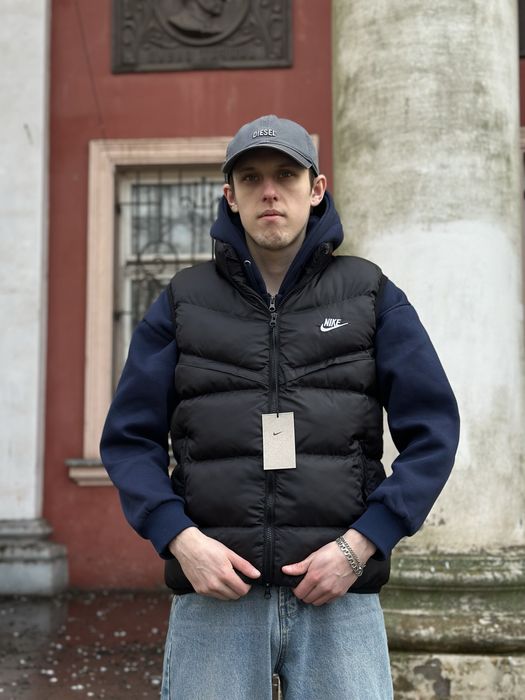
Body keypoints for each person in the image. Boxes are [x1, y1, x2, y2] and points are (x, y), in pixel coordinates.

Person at [100, 114, 460, 700]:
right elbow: (128, 439)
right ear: (231, 196)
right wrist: (181, 541)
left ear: (315, 189)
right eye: (251, 178)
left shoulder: (370, 294)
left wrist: (361, 544)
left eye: (286, 176)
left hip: (337, 592)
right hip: (216, 594)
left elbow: (434, 432)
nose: (269, 191)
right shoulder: (183, 302)